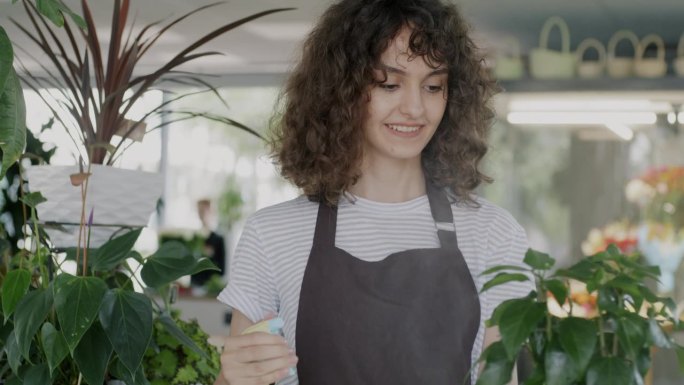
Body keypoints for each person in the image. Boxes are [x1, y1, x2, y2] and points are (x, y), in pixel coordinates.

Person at [215, 0, 530, 384]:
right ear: (340, 92)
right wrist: (231, 379)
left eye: (433, 86)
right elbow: (251, 376)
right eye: (389, 84)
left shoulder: (492, 234)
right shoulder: (273, 235)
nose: (415, 107)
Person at [191, 199, 226, 290]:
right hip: (195, 285)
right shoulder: (193, 238)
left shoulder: (218, 239)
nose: (201, 214)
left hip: (211, 287)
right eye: (199, 211)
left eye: (203, 211)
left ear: (210, 212)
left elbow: (222, 269)